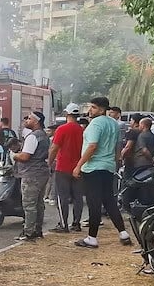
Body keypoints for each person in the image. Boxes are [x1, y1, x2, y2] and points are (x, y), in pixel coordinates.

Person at [73, 97, 133, 248]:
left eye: (93, 107)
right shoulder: (113, 124)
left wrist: (79, 165)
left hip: (93, 167)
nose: (90, 110)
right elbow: (117, 146)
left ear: (101, 109)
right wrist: (116, 160)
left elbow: (92, 146)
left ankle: (92, 237)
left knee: (94, 202)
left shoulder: (95, 124)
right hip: (108, 166)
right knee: (109, 201)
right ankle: (123, 233)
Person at [12, 112, 51, 242]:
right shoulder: (44, 136)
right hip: (42, 173)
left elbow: (25, 156)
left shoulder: (32, 137)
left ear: (36, 121)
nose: (26, 121)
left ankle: (28, 232)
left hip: (31, 174)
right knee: (39, 203)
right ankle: (37, 230)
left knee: (29, 204)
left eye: (29, 119)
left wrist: (15, 155)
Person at [48, 103, 84, 233]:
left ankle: (64, 224)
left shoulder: (62, 129)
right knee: (77, 197)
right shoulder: (82, 130)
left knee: (62, 197)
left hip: (63, 167)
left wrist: (49, 162)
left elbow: (54, 148)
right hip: (78, 168)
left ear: (66, 114)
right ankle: (76, 223)